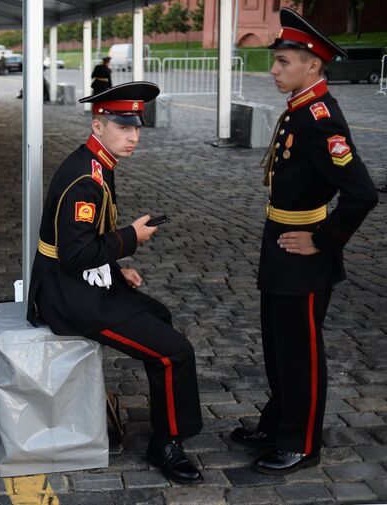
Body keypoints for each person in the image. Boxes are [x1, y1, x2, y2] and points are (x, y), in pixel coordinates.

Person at [26, 82, 203, 485]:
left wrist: (115, 267)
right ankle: (168, 443)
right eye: (124, 127)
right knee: (174, 353)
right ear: (98, 124)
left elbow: (84, 242)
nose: (133, 136)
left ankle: (166, 414)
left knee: (160, 315)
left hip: (84, 282)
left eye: (137, 127)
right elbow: (74, 255)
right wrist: (130, 239)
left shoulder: (97, 163)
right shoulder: (85, 179)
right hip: (70, 299)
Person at [229, 7, 378, 476]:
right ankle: (278, 422)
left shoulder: (319, 118)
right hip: (280, 236)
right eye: (275, 62)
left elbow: (362, 193)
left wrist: (323, 241)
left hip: (303, 247)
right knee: (277, 344)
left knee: (300, 353)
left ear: (312, 66)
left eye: (283, 63)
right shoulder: (300, 107)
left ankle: (301, 441)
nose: (273, 71)